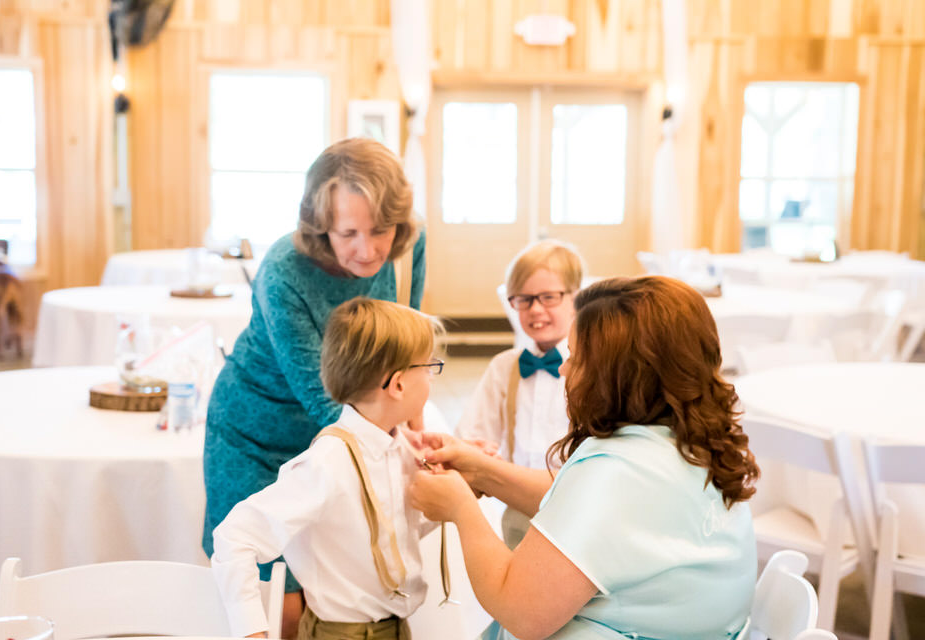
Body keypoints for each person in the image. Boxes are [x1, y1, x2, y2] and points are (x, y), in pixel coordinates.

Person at [410, 276, 761, 640]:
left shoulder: (618, 472)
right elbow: (582, 508)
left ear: (617, 377)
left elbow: (521, 612)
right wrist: (484, 472)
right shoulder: (683, 439)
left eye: (575, 358)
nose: (563, 370)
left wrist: (461, 510)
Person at [203, 138, 425, 635]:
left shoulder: (411, 248)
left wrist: (415, 434)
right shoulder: (284, 270)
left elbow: (404, 346)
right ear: (321, 224)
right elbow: (320, 395)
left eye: (380, 231)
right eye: (348, 233)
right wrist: (397, 449)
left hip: (355, 429)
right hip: (257, 435)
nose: (367, 250)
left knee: (341, 589)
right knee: (277, 602)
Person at [211, 297, 444, 640]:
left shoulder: (400, 446)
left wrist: (456, 493)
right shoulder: (326, 465)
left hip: (394, 629)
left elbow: (386, 530)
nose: (431, 377)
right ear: (398, 384)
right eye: (428, 368)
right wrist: (252, 632)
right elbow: (235, 537)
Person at [455, 239, 583, 548]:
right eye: (523, 299)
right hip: (518, 510)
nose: (535, 309)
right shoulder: (504, 367)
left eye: (548, 297)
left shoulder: (592, 366)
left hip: (579, 508)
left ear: (576, 297)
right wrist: (477, 453)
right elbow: (472, 433)